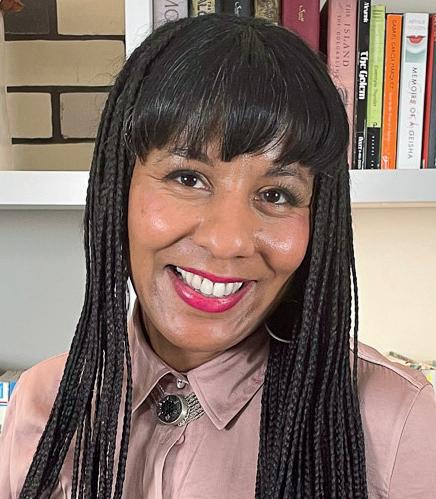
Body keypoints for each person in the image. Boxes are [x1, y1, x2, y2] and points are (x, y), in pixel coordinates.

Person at [1, 13, 436, 499]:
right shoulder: (43, 401)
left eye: (276, 195)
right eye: (187, 178)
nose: (227, 241)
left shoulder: (401, 424)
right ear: (118, 186)